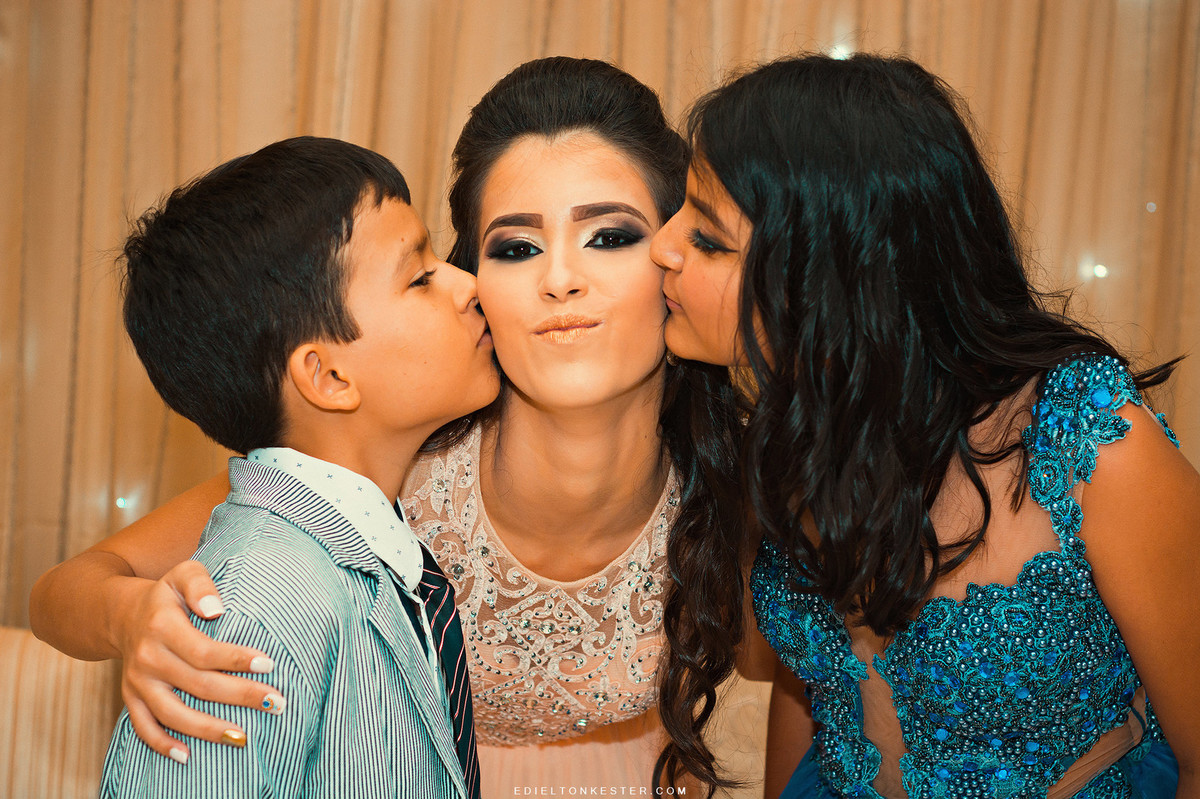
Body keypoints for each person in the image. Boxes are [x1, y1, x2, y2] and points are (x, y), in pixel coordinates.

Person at [31, 59, 766, 795]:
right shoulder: (377, 468)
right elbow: (68, 589)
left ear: (675, 256)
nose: (560, 280)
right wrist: (135, 618)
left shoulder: (740, 476)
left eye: (609, 236)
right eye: (515, 248)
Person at [648, 54, 1199, 798]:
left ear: (836, 277)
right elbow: (809, 682)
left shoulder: (1091, 443)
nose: (662, 246)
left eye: (709, 239)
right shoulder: (785, 419)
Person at [97, 136, 498, 797]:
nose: (466, 283)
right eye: (420, 276)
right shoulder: (251, 607)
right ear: (328, 375)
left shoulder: (364, 554)